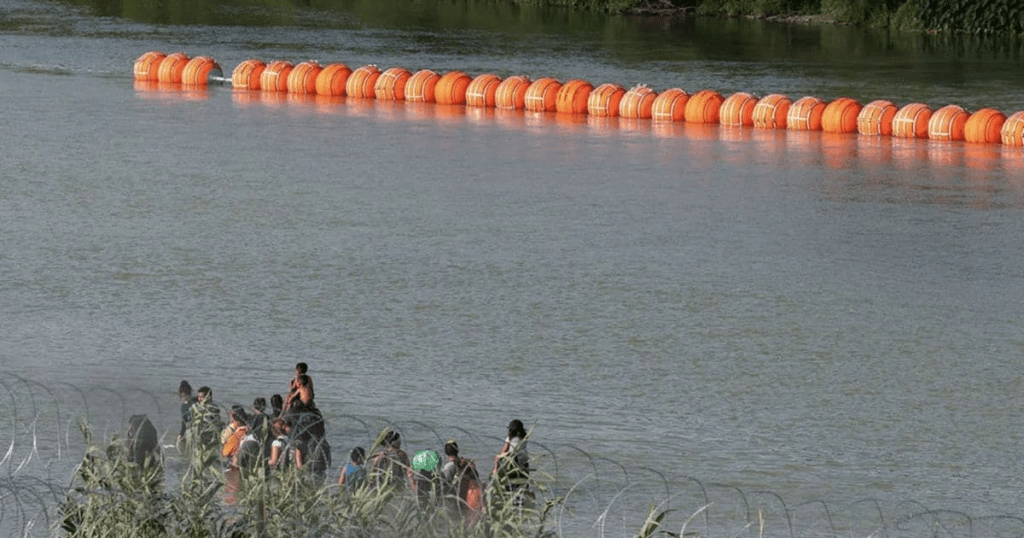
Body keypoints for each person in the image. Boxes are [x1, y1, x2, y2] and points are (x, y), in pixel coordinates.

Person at [440, 439, 482, 518]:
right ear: (457, 451)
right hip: (467, 498)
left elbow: (442, 486)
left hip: (454, 502)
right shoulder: (465, 463)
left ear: (446, 453)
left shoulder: (449, 467)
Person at [492, 419, 530, 493]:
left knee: (497, 458)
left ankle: (495, 473)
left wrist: (499, 457)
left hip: (513, 458)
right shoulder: (525, 437)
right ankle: (525, 486)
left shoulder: (510, 437)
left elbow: (505, 449)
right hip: (524, 458)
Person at [177, 380, 197, 447]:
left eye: (185, 396)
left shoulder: (195, 404)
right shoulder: (184, 406)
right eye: (182, 396)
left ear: (189, 394)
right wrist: (181, 434)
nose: (184, 398)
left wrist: (183, 435)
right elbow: (184, 422)